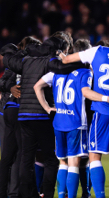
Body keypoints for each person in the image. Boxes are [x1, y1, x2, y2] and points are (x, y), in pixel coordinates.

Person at [0, 31, 89, 198]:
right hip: (40, 115)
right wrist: (82, 64)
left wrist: (19, 51)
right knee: (51, 159)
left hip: (23, 114)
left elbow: (7, 59)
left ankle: (26, 194)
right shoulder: (50, 61)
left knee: (26, 158)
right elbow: (61, 68)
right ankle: (47, 194)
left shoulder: (26, 60)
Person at [59, 35, 109, 198]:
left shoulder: (99, 51)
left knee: (95, 156)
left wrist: (60, 55)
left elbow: (68, 60)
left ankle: (101, 195)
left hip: (102, 112)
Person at [0, 36, 42, 198]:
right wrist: (11, 88)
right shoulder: (33, 63)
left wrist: (9, 87)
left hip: (9, 110)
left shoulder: (14, 62)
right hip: (20, 111)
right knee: (24, 155)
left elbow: (2, 82)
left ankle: (5, 193)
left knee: (8, 156)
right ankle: (22, 193)